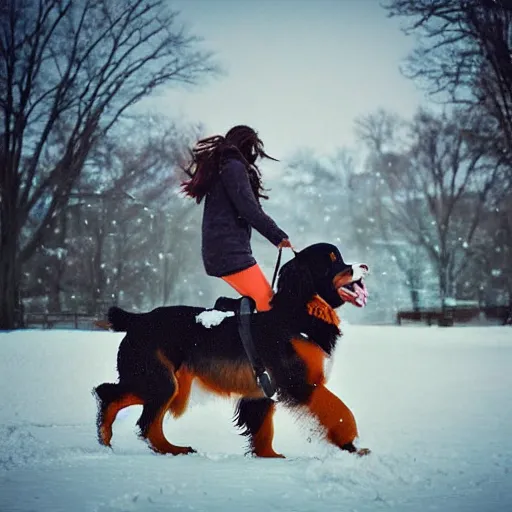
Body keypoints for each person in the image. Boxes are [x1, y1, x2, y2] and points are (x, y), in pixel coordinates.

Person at [181, 125, 293, 311]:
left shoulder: (224, 167)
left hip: (223, 251)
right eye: (251, 148)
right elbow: (249, 209)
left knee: (262, 305)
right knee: (268, 306)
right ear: (246, 145)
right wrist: (279, 237)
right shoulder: (233, 167)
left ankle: (226, 316)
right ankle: (221, 317)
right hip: (229, 252)